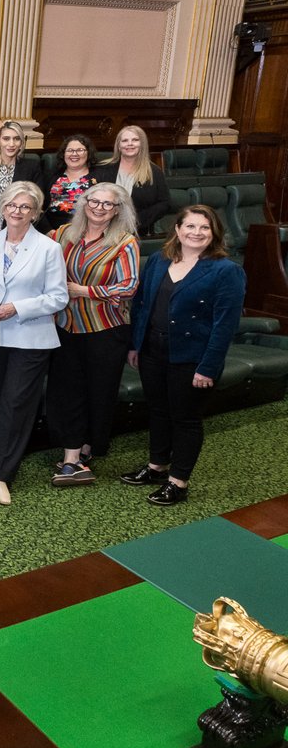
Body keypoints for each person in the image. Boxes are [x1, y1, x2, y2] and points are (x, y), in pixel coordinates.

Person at [121, 205, 245, 506]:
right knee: (159, 412)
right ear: (177, 229)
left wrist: (208, 367)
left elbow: (224, 326)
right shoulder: (159, 261)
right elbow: (141, 306)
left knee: (185, 419)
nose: (196, 233)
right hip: (152, 350)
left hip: (193, 359)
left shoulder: (226, 271)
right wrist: (136, 345)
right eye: (190, 226)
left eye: (204, 228)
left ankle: (178, 482)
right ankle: (156, 467)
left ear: (214, 233)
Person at [0, 181, 68, 506]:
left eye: (25, 207)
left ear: (36, 213)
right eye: (12, 205)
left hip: (31, 337)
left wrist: (16, 308)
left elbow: (58, 297)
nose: (17, 211)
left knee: (16, 404)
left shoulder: (49, 248)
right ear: (3, 208)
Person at [46, 183, 139, 486]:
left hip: (106, 329)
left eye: (107, 204)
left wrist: (83, 291)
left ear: (117, 210)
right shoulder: (62, 235)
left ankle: (87, 446)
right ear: (83, 203)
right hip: (66, 326)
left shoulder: (125, 243)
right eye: (93, 201)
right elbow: (31, 250)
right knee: (67, 389)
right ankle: (72, 452)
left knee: (99, 391)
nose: (99, 208)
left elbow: (128, 287)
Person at [0, 120, 45, 245]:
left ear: (21, 143)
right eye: (6, 138)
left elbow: (37, 202)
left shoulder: (32, 167)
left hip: (22, 233)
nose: (11, 144)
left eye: (16, 139)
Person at [92, 125, 170, 236]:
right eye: (124, 140)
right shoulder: (103, 168)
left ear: (142, 144)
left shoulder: (154, 171)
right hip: (103, 229)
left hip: (138, 232)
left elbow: (164, 203)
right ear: (118, 146)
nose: (130, 144)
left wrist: (135, 221)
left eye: (135, 140)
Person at [44, 134, 97, 230]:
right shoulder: (51, 176)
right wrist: (48, 230)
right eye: (70, 150)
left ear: (88, 153)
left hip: (86, 229)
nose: (74, 154)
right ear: (63, 154)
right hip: (53, 229)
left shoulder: (99, 177)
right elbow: (40, 207)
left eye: (80, 150)